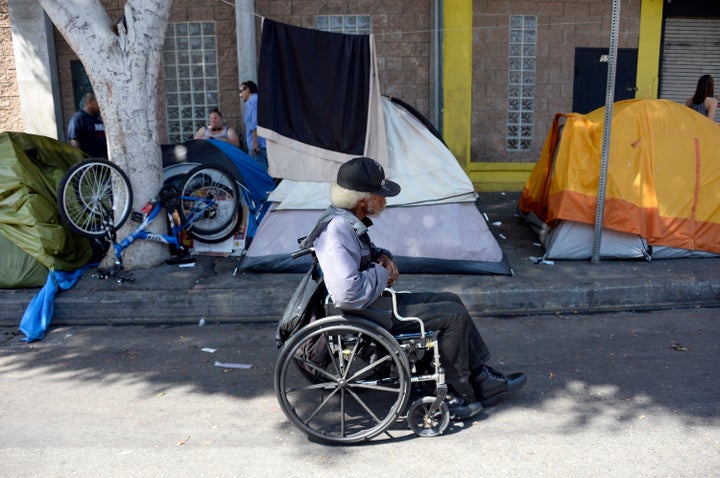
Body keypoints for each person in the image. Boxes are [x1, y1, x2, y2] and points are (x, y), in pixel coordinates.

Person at [300, 156, 527, 419]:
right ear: (363, 200)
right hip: (367, 313)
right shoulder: (337, 230)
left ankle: (482, 378)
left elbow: (363, 256)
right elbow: (347, 292)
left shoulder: (346, 220)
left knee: (451, 299)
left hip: (372, 304)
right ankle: (448, 391)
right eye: (380, 195)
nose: (384, 200)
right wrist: (381, 272)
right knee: (452, 317)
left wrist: (380, 257)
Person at [67, 92, 108, 158]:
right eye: (98, 102)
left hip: (104, 162)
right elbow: (74, 141)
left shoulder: (99, 118)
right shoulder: (78, 118)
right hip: (90, 162)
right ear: (90, 103)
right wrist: (82, 161)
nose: (101, 104)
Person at [239, 80, 268, 170]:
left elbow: (254, 123)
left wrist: (255, 143)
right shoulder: (260, 100)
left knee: (260, 174)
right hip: (265, 144)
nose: (240, 95)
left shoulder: (252, 102)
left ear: (247, 89)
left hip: (258, 146)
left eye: (241, 91)